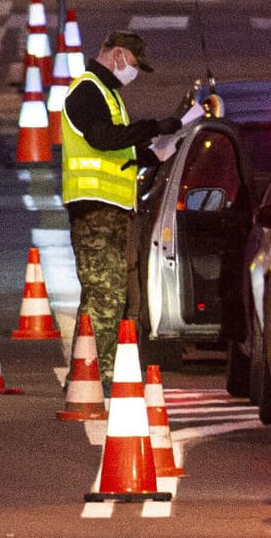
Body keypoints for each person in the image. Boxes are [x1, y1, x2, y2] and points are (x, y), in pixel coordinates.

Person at [59, 30, 190, 375]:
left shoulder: (109, 95)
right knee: (107, 298)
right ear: (117, 54)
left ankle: (84, 375)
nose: (131, 72)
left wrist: (156, 151)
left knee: (100, 297)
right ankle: (97, 377)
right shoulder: (87, 91)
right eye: (132, 63)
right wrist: (150, 127)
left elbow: (119, 151)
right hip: (94, 212)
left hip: (111, 212)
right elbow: (103, 139)